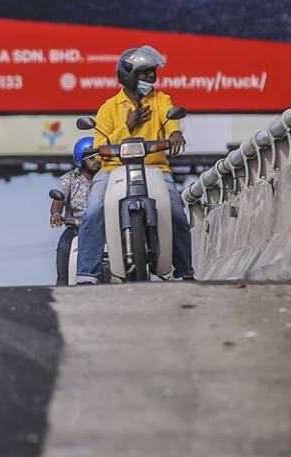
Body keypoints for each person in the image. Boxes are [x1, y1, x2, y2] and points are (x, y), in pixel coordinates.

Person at [76, 45, 194, 283]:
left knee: (177, 214)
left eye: (152, 72)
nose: (150, 76)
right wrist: (127, 126)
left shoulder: (160, 99)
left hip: (156, 167)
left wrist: (175, 134)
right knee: (93, 212)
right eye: (144, 72)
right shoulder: (109, 107)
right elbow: (100, 145)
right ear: (128, 75)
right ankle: (87, 272)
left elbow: (170, 117)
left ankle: (184, 271)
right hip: (112, 170)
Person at [50, 136, 101, 286]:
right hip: (76, 228)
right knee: (65, 246)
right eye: (91, 158)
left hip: (103, 226)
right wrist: (56, 214)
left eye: (99, 156)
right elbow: (58, 200)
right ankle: (63, 285)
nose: (97, 160)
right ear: (80, 159)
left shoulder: (108, 177)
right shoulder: (68, 179)